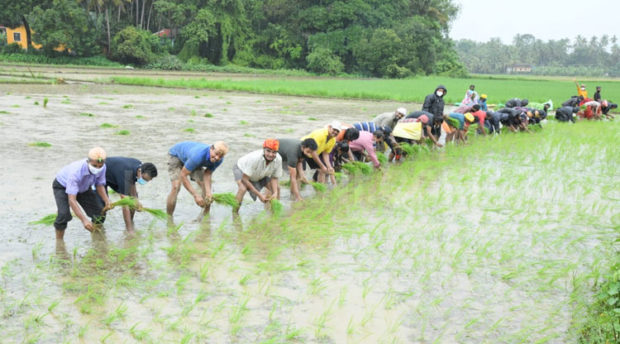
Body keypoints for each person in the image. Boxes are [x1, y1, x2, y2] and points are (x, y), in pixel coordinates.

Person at [52, 147, 111, 240]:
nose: (98, 168)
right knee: (63, 215)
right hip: (62, 186)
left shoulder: (102, 168)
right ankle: (59, 243)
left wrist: (107, 200)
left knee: (99, 212)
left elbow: (99, 184)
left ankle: (96, 238)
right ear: (88, 161)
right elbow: (72, 200)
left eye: (100, 166)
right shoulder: (76, 172)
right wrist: (84, 220)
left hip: (84, 187)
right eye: (95, 166)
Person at [166, 141, 228, 219]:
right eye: (216, 154)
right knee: (176, 187)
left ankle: (205, 217)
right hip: (176, 155)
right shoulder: (198, 156)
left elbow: (208, 174)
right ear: (211, 148)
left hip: (192, 159)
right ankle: (169, 218)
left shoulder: (218, 160)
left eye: (221, 156)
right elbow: (183, 175)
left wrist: (209, 193)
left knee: (205, 186)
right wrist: (195, 195)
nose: (217, 158)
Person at [100, 157, 158, 232]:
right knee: (101, 206)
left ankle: (130, 221)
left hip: (115, 174)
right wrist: (130, 230)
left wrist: (137, 201)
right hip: (100, 176)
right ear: (140, 172)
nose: (144, 181)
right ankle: (98, 227)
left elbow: (132, 184)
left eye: (146, 180)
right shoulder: (127, 172)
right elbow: (125, 202)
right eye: (144, 179)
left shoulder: (139, 165)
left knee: (132, 200)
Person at [234, 139, 283, 211]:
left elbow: (274, 178)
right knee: (243, 189)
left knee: (276, 189)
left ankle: (273, 212)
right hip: (241, 169)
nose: (270, 154)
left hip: (259, 173)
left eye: (274, 152)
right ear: (263, 150)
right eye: (268, 151)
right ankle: (235, 213)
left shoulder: (278, 159)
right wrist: (259, 195)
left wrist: (275, 193)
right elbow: (245, 179)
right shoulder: (255, 158)